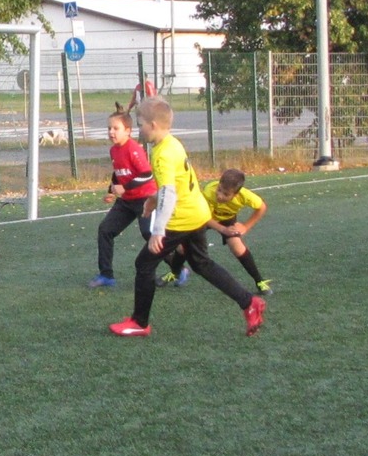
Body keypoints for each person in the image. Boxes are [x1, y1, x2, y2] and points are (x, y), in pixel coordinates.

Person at [109, 97, 266, 337]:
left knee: (144, 264)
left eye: (140, 124)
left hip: (181, 219)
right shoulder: (172, 143)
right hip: (198, 213)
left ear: (153, 125)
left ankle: (139, 323)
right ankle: (249, 302)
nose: (139, 129)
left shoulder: (162, 154)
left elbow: (170, 194)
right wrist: (152, 200)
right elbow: (174, 184)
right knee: (201, 263)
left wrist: (158, 230)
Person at [160, 168, 272, 294]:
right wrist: (223, 230)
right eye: (219, 189)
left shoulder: (245, 196)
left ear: (236, 194)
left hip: (227, 219)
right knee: (182, 247)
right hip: (205, 218)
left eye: (226, 194)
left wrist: (246, 227)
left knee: (237, 248)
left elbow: (261, 207)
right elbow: (205, 218)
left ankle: (259, 281)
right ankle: (175, 272)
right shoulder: (209, 191)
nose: (219, 195)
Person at [89, 104, 158, 288]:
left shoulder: (133, 149)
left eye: (115, 128)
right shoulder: (114, 150)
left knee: (149, 234)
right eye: (109, 128)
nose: (111, 132)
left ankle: (178, 267)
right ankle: (106, 275)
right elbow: (118, 173)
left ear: (127, 131)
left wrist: (124, 187)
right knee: (105, 230)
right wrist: (111, 191)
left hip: (145, 199)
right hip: (126, 201)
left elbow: (147, 174)